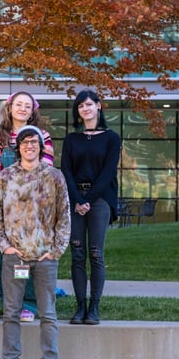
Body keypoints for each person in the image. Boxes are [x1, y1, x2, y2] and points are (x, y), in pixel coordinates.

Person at [0, 126, 71, 359]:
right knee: (12, 311)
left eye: (34, 142)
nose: (29, 146)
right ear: (18, 147)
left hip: (45, 257)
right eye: (25, 142)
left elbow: (64, 216)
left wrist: (55, 251)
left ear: (41, 146)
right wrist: (4, 247)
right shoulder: (6, 177)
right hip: (17, 258)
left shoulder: (54, 176)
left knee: (47, 313)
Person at [0, 91, 54, 322]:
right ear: (10, 108)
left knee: (34, 253)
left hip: (37, 207)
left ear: (32, 110)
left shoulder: (43, 136)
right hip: (9, 208)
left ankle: (29, 305)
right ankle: (10, 303)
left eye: (27, 106)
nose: (22, 109)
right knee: (9, 254)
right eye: (18, 105)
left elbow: (47, 171)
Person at [61, 89, 121, 325]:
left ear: (98, 106)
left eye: (88, 104)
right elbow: (65, 170)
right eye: (80, 106)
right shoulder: (71, 139)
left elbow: (108, 173)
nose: (85, 109)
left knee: (95, 254)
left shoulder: (111, 138)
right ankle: (80, 307)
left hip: (100, 199)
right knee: (77, 254)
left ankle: (94, 308)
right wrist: (77, 199)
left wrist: (88, 200)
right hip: (75, 199)